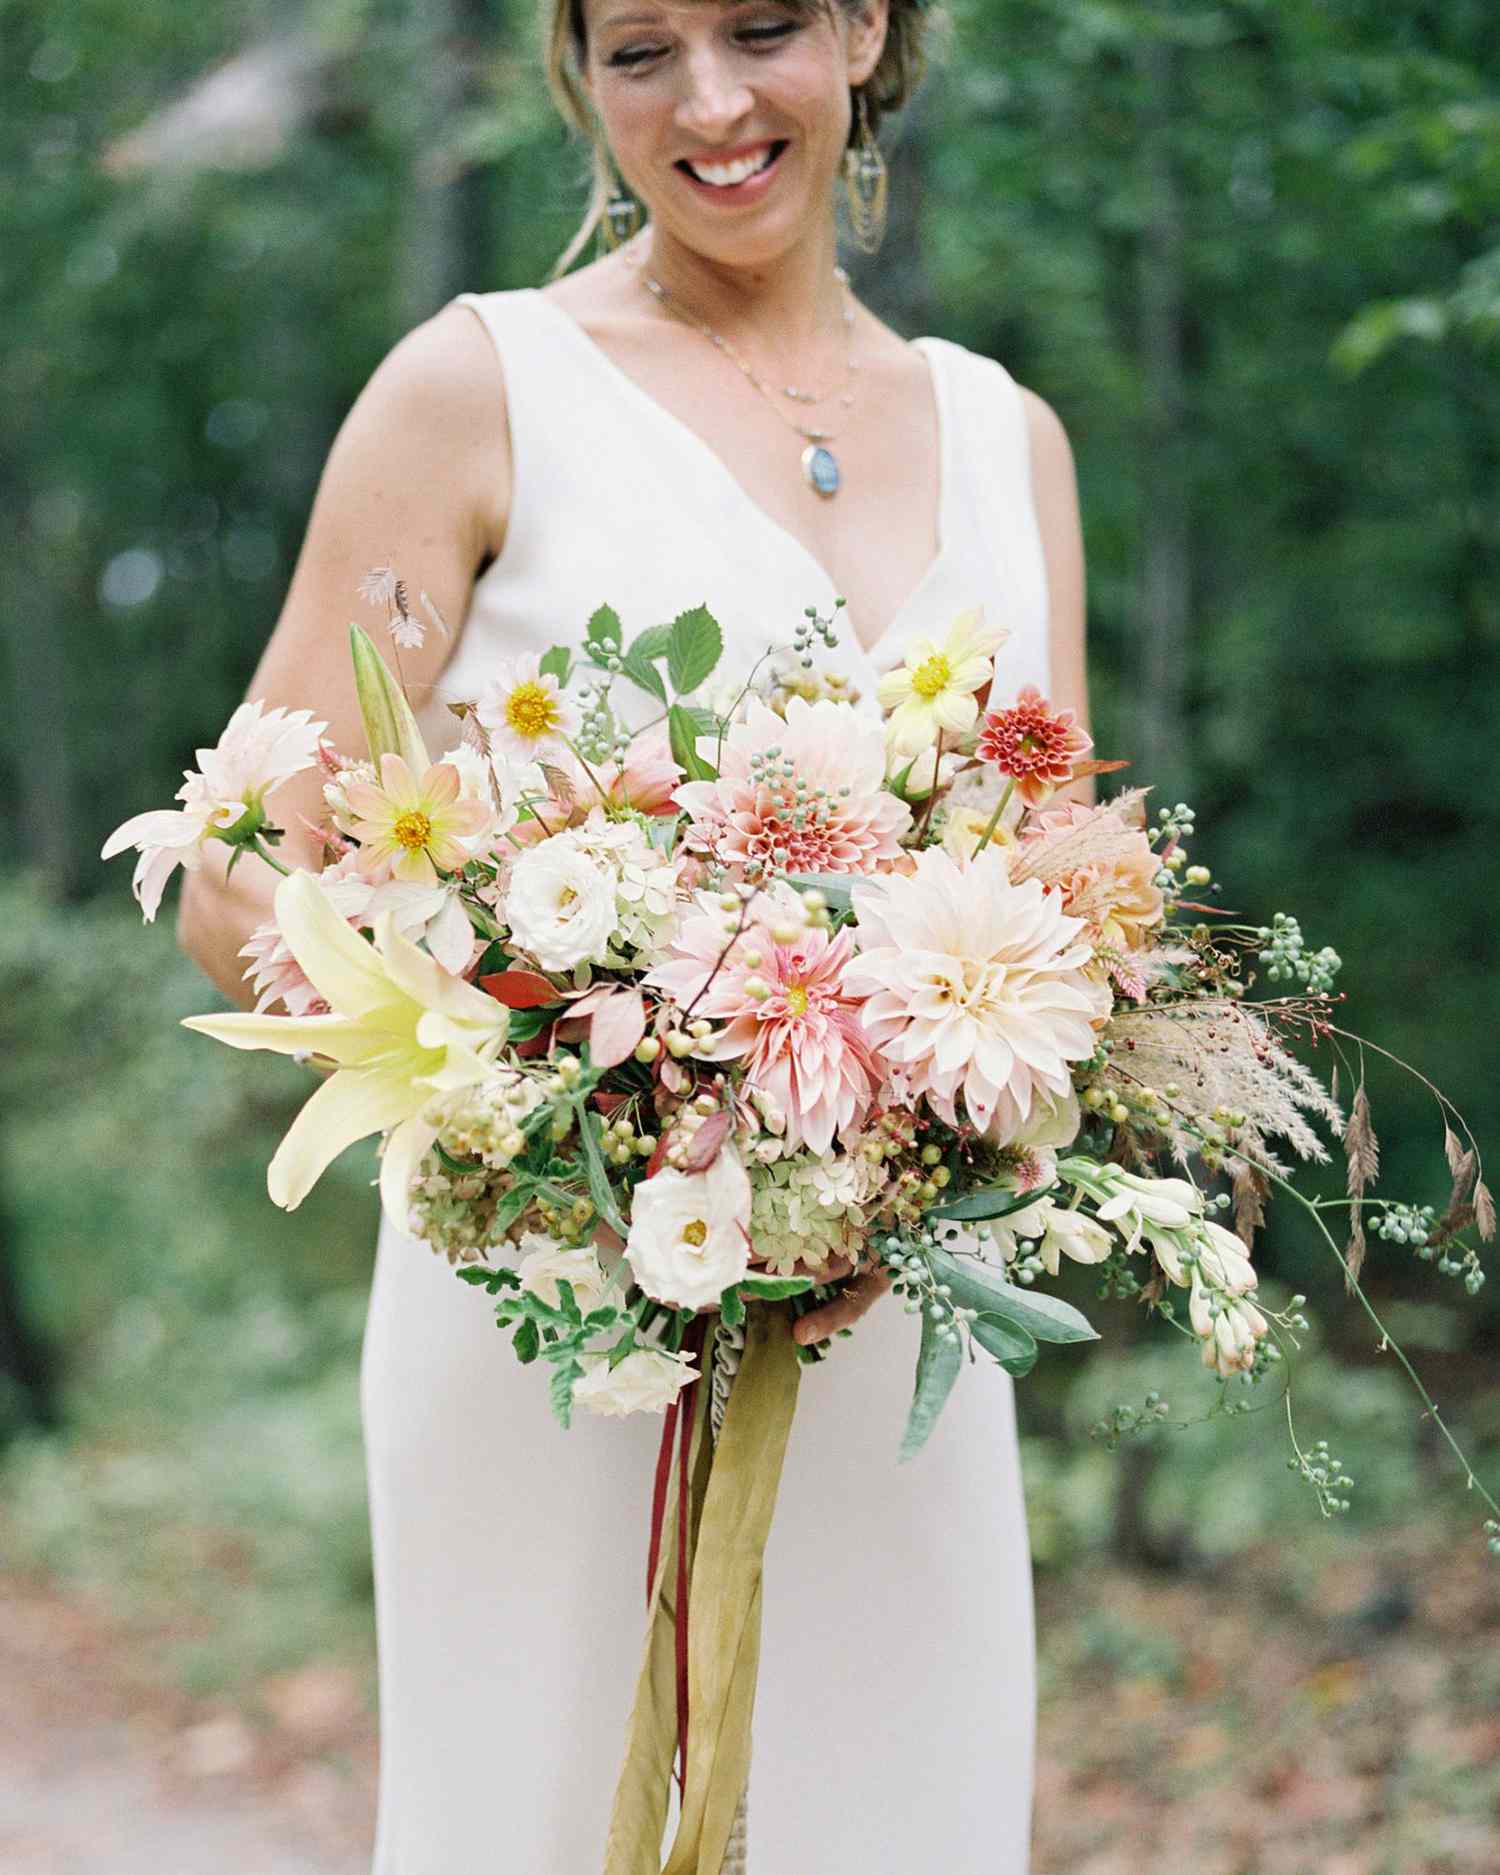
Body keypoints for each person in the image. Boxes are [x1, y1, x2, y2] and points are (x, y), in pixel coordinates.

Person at [178, 1, 1089, 1867]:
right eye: (643, 48)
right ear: (577, 74)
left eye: (763, 27)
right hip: (562, 1315)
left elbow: (1063, 876)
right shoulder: (477, 388)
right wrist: (526, 1089)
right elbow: (239, 866)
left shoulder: (1011, 438)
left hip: (894, 1332)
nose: (714, 102)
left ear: (866, 27)